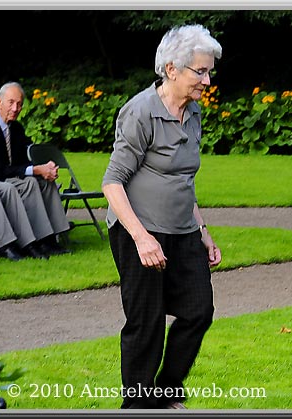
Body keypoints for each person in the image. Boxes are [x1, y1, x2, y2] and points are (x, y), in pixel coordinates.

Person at [102, 24, 222, 410]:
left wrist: (203, 231)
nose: (206, 80)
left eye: (209, 72)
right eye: (199, 72)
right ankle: (137, 405)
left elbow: (183, 180)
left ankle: (166, 390)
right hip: (139, 229)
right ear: (171, 69)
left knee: (199, 310)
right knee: (147, 321)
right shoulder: (140, 112)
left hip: (183, 229)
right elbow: (112, 182)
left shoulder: (195, 112)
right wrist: (141, 237)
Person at [0, 81, 71, 257]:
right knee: (30, 182)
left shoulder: (16, 128)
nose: (15, 108)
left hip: (9, 176)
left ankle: (51, 238)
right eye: (11, 102)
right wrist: (35, 170)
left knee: (45, 182)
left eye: (19, 104)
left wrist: (46, 167)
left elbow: (25, 158)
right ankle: (33, 241)